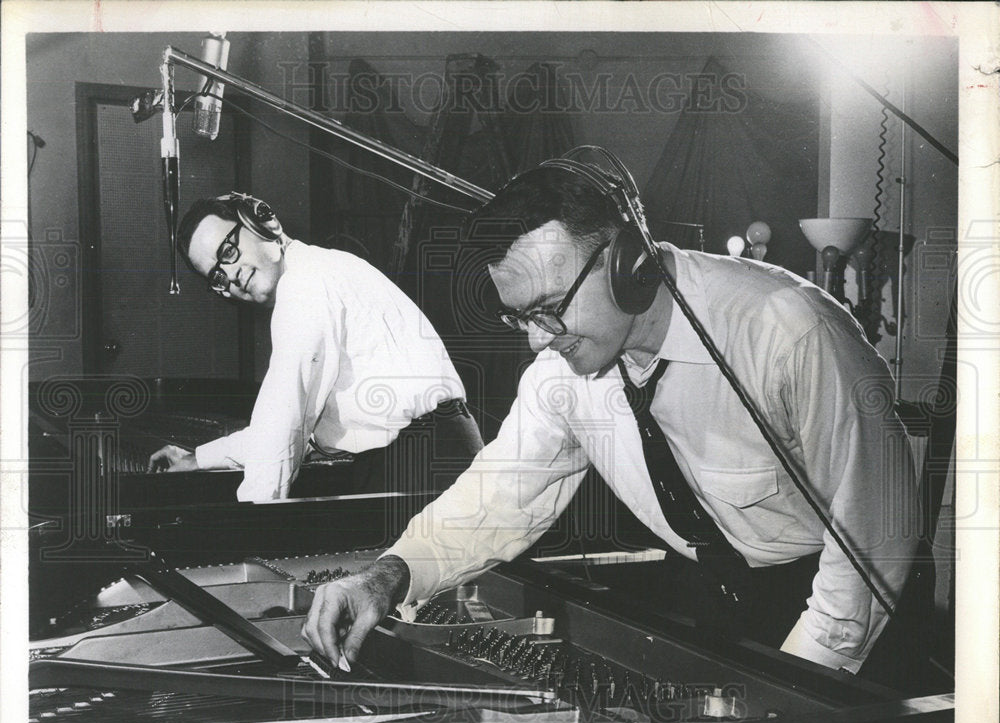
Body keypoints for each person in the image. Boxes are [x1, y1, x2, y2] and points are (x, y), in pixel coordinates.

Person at [302, 162, 921, 680]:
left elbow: (876, 538)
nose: (538, 342)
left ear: (628, 263)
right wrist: (386, 578)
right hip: (720, 595)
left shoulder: (789, 332)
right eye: (521, 318)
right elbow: (499, 498)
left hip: (852, 609)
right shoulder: (563, 372)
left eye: (547, 310)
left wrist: (794, 700)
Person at [149, 193, 483, 501]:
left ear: (265, 222)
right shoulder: (319, 268)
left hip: (421, 466)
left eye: (228, 252)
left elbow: (283, 424)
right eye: (217, 276)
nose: (231, 275)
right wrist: (198, 458)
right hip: (435, 453)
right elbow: (286, 428)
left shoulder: (303, 286)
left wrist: (250, 527)